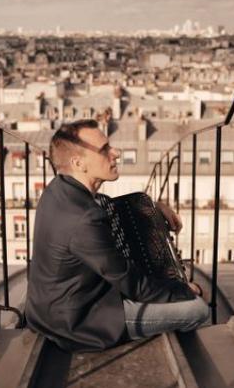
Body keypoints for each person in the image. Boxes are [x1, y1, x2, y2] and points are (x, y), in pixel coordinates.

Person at [25, 119, 209, 352]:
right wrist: (186, 289)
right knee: (197, 309)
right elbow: (135, 286)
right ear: (78, 162)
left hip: (52, 306)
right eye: (104, 150)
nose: (117, 153)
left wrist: (153, 208)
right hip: (77, 321)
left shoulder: (60, 189)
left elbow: (109, 209)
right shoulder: (83, 219)